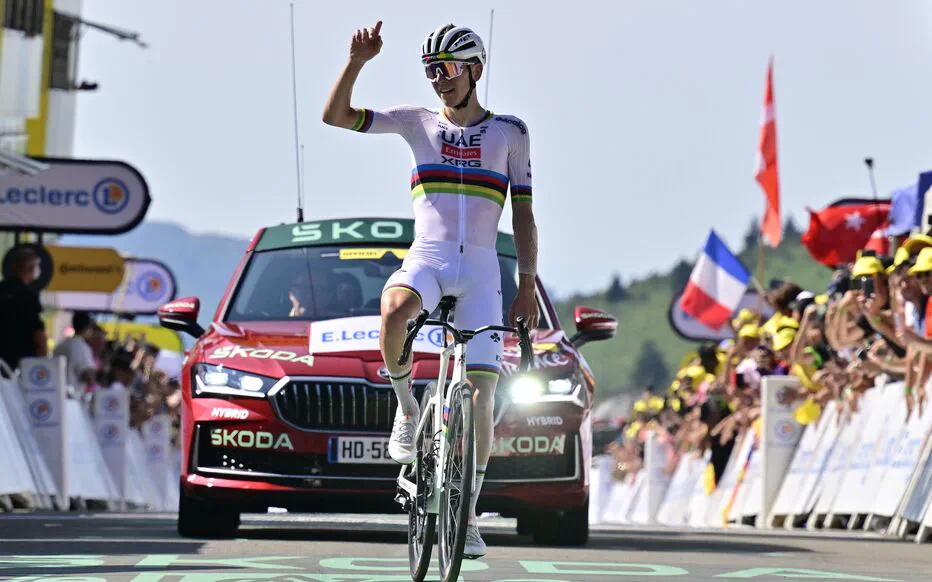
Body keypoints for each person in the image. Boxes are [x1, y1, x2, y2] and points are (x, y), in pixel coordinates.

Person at [322, 20, 539, 558]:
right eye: (430, 71)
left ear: (476, 71)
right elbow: (336, 116)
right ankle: (406, 409)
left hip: (485, 271)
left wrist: (528, 284)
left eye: (446, 70)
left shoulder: (509, 132)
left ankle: (466, 520)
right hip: (430, 257)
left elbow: (526, 215)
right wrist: (357, 63)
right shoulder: (416, 122)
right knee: (394, 307)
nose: (437, 80)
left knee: (484, 395)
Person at [0, 246, 47, 373]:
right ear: (32, 270)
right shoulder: (29, 296)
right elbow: (38, 335)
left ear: (13, 267)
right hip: (19, 367)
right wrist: (43, 365)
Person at [53, 312, 98, 397]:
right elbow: (88, 376)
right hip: (73, 397)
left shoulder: (60, 346)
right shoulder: (82, 347)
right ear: (88, 328)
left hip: (57, 395)